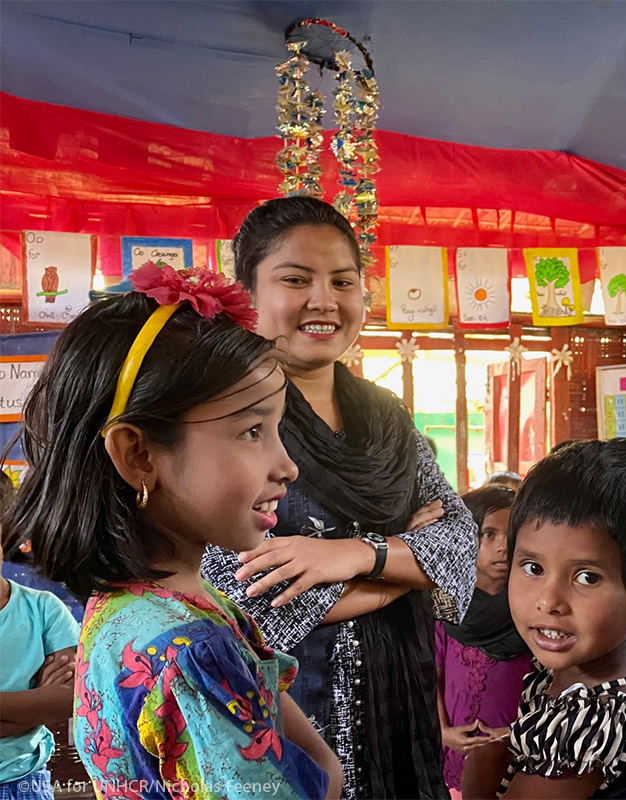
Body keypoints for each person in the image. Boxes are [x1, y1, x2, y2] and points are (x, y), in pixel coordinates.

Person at [2, 265, 340, 799]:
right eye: (252, 431)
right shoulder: (188, 648)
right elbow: (311, 779)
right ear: (138, 454)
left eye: (278, 430)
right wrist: (327, 771)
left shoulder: (122, 606)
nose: (287, 466)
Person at [201, 196, 476, 800]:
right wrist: (410, 564)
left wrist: (353, 554)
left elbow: (459, 541)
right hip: (289, 706)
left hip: (401, 702)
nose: (323, 300)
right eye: (296, 279)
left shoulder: (387, 417)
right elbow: (238, 590)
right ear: (246, 292)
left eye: (342, 281)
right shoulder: (222, 415)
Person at [462, 438, 626, 800]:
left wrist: (480, 774)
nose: (549, 601)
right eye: (533, 567)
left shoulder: (594, 721)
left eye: (587, 577)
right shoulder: (575, 684)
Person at [436, 485, 531, 797]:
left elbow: (555, 683)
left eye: (510, 533)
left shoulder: (533, 609)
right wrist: (443, 731)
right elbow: (430, 676)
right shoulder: (445, 607)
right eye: (488, 534)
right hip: (455, 752)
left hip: (519, 749)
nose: (502, 546)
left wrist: (519, 733)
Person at [0, 478, 78, 800]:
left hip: (26, 782)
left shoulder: (44, 608)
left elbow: (74, 696)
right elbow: (53, 703)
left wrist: (54, 701)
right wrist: (36, 707)